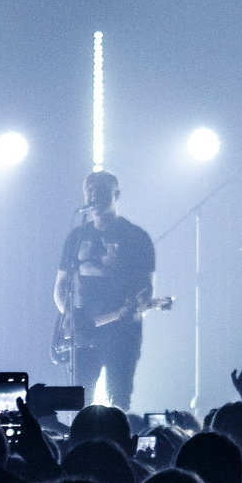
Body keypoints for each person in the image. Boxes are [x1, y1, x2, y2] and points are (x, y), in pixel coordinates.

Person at [53, 170, 156, 409]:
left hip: (122, 333)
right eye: (89, 189)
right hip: (83, 331)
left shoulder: (137, 237)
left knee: (118, 399)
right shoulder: (76, 236)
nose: (93, 195)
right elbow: (60, 285)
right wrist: (68, 315)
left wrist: (139, 305)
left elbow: (147, 290)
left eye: (100, 190)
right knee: (80, 400)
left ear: (116, 194)